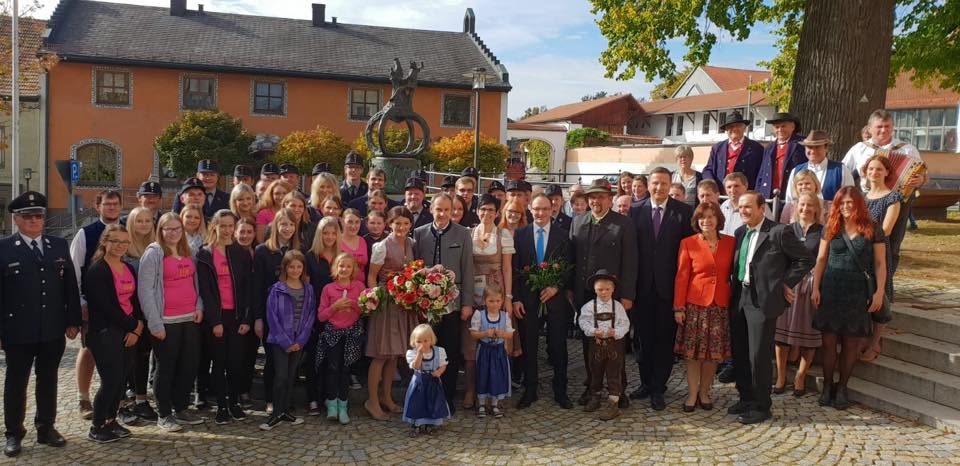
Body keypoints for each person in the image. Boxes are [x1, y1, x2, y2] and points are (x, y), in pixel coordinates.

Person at [1, 192, 82, 457]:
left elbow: (70, 286)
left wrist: (73, 321)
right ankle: (13, 433)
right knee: (16, 382)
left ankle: (46, 428)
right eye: (28, 216)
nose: (35, 220)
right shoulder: (4, 248)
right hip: (17, 329)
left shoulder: (58, 245)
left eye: (39, 215)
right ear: (16, 220)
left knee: (48, 380)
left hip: (51, 327)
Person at [728, 191, 813, 424]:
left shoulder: (778, 232)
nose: (743, 211)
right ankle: (745, 397)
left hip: (762, 302)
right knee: (741, 352)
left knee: (758, 355)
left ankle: (761, 405)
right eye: (741, 207)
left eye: (748, 207)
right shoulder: (740, 232)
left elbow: (805, 259)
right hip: (739, 298)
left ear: (761, 208)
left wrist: (785, 283)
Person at [812, 187, 887, 410]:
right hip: (831, 290)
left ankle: (842, 387)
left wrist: (879, 292)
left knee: (851, 344)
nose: (846, 206)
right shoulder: (831, 227)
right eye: (842, 202)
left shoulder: (873, 229)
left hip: (857, 293)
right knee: (828, 344)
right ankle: (827, 386)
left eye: (850, 202)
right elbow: (821, 259)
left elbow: (881, 264)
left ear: (858, 204)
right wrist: (816, 288)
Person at [628, 167, 694, 410]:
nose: (659, 188)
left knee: (664, 340)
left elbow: (689, 253)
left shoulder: (684, 212)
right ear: (648, 184)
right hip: (641, 288)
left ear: (670, 185)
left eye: (664, 184)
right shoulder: (634, 211)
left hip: (669, 289)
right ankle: (645, 383)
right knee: (642, 340)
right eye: (655, 183)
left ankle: (659, 387)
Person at [570, 178, 637, 408]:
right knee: (590, 343)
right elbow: (573, 259)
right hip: (585, 294)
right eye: (592, 197)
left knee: (616, 345)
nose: (596, 201)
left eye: (600, 196)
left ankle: (619, 389)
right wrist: (571, 290)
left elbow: (630, 262)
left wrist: (627, 295)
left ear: (610, 199)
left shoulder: (623, 224)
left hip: (613, 295)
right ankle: (593, 387)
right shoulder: (578, 222)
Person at [138, 212, 205, 432]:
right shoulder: (153, 253)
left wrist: (199, 306)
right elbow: (146, 291)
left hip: (190, 318)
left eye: (177, 228)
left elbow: (196, 283)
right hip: (166, 320)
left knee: (188, 366)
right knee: (166, 368)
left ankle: (181, 407)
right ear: (160, 230)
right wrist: (154, 323)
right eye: (169, 229)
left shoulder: (189, 251)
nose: (174, 233)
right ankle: (164, 414)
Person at [842, 109, 925, 277]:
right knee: (865, 240)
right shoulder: (859, 149)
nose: (883, 130)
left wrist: (921, 180)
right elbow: (843, 172)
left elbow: (922, 174)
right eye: (879, 126)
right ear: (870, 128)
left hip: (899, 201)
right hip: (867, 200)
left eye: (887, 126)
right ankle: (866, 281)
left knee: (892, 245)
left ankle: (886, 287)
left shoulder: (907, 149)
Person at [412, 194, 475, 414]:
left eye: (446, 210)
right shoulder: (419, 234)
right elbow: (415, 270)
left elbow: (468, 269)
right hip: (427, 303)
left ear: (452, 211)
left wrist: (467, 303)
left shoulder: (463, 233)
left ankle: (446, 397)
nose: (442, 214)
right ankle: (424, 395)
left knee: (449, 350)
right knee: (426, 347)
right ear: (432, 210)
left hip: (453, 302)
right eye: (438, 209)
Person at [82, 225, 144, 443]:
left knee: (121, 381)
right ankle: (97, 425)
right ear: (104, 242)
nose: (120, 245)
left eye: (124, 242)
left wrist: (137, 326)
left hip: (128, 330)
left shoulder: (128, 267)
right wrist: (133, 325)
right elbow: (105, 307)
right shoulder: (97, 270)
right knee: (110, 380)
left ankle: (111, 420)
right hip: (105, 332)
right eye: (115, 241)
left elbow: (134, 300)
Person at [512, 194, 574, 409]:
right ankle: (530, 390)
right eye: (537, 209)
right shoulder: (519, 235)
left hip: (555, 300)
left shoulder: (563, 235)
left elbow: (569, 267)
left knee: (558, 345)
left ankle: (561, 390)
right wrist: (516, 299)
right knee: (529, 346)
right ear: (530, 208)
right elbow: (515, 269)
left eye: (545, 209)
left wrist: (556, 286)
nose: (540, 213)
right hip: (528, 301)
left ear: (552, 209)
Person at [673, 202, 734, 412]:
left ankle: (705, 393)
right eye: (702, 218)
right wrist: (679, 307)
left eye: (710, 217)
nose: (706, 221)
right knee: (693, 355)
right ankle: (691, 394)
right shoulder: (688, 243)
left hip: (720, 306)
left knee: (712, 355)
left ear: (718, 219)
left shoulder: (730, 243)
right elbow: (682, 277)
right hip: (695, 306)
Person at [195, 210, 253, 425]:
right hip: (217, 317)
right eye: (223, 226)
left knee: (235, 363)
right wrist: (215, 320)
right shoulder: (205, 254)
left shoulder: (241, 252)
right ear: (215, 227)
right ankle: (221, 405)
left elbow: (248, 288)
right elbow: (206, 291)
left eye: (231, 226)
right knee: (218, 363)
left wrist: (247, 319)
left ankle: (234, 402)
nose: (228, 230)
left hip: (237, 316)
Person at [70, 189, 122, 421]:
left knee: (119, 351)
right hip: (92, 304)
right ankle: (84, 397)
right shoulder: (86, 233)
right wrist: (80, 301)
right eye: (107, 204)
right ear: (98, 206)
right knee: (89, 349)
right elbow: (73, 271)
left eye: (115, 204)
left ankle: (115, 397)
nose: (111, 208)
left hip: (122, 303)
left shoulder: (126, 229)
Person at [365, 207, 420, 420]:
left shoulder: (411, 243)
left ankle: (387, 398)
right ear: (390, 224)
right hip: (386, 303)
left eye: (406, 223)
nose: (402, 227)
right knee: (381, 355)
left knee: (394, 355)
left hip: (404, 304)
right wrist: (375, 299)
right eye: (398, 223)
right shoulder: (381, 247)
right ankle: (372, 400)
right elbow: (372, 276)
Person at [463, 194, 515, 409]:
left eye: (491, 210)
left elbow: (507, 268)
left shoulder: (503, 235)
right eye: (483, 209)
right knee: (471, 343)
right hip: (473, 292)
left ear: (497, 213)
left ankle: (496, 389)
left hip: (495, 293)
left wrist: (509, 298)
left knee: (498, 343)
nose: (486, 214)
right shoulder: (468, 234)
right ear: (477, 211)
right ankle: (470, 390)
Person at [773, 193, 824, 396]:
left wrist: (817, 287)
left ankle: (801, 376)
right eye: (802, 204)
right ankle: (781, 376)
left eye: (810, 205)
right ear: (797, 207)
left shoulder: (821, 231)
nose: (805, 208)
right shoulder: (787, 229)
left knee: (808, 334)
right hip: (789, 284)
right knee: (782, 333)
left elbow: (821, 260)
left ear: (816, 208)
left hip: (810, 285)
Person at [259, 250, 316, 430]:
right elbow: (272, 317)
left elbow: (310, 316)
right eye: (292, 267)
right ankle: (276, 412)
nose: (295, 270)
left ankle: (285, 410)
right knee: (281, 376)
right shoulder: (277, 289)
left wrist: (301, 339)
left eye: (299, 267)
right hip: (281, 341)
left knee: (291, 376)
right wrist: (286, 341)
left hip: (299, 340)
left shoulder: (308, 289)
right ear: (285, 268)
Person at [253, 208, 302, 415]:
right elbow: (256, 287)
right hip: (271, 314)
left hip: (295, 315)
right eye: (283, 224)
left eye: (291, 224)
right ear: (275, 226)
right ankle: (271, 399)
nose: (287, 228)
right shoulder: (263, 251)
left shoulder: (299, 251)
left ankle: (286, 400)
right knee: (273, 360)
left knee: (292, 361)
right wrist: (257, 318)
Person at [861, 155, 902, 361]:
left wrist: (860, 234)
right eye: (870, 169)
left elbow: (885, 230)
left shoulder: (892, 198)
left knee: (880, 296)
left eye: (878, 169)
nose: (874, 173)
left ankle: (876, 343)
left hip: (877, 250)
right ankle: (863, 337)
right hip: (859, 251)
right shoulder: (862, 196)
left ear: (887, 172)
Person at [316, 253, 365, 425]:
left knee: (345, 370)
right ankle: (331, 404)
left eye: (348, 266)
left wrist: (356, 306)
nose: (344, 269)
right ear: (335, 268)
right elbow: (321, 316)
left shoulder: (359, 287)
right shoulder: (328, 289)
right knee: (332, 368)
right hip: (333, 334)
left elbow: (365, 311)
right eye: (341, 266)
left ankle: (343, 405)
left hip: (351, 334)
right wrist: (334, 307)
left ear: (353, 269)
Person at [122, 207, 160, 422]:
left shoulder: (157, 248)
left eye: (148, 221)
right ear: (131, 224)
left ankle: (141, 399)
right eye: (139, 221)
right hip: (131, 313)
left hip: (152, 312)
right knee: (127, 359)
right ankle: (122, 402)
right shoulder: (125, 250)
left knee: (144, 357)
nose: (144, 225)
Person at [578, 270, 630, 421]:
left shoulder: (618, 307)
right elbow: (582, 321)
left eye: (607, 289)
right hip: (596, 344)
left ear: (613, 289)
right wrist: (593, 330)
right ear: (594, 290)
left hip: (615, 346)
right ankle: (595, 396)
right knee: (595, 371)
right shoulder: (588, 307)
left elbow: (625, 324)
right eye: (600, 289)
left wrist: (617, 332)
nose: (604, 292)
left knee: (614, 373)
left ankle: (613, 402)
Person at [304, 216, 340, 415]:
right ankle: (312, 399)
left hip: (336, 315)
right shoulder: (310, 257)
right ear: (319, 234)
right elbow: (307, 287)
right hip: (316, 313)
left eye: (333, 233)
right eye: (325, 233)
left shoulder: (340, 256)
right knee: (313, 358)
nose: (329, 237)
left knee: (331, 359)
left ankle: (329, 396)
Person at [469, 287, 514, 418]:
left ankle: (495, 404)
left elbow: (510, 335)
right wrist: (484, 333)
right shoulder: (479, 314)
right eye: (491, 301)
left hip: (499, 352)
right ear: (485, 301)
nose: (495, 304)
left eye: (498, 301)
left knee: (497, 377)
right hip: (484, 351)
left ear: (502, 301)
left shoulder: (505, 316)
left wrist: (503, 334)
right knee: (483, 375)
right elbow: (473, 334)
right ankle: (482, 404)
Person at [402, 324, 451, 436]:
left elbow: (444, 364)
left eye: (425, 341)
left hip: (433, 382)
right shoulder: (412, 353)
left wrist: (439, 372)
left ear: (431, 340)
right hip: (419, 383)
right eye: (419, 341)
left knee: (433, 402)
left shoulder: (439, 351)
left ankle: (431, 424)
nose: (422, 344)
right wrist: (419, 353)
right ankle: (416, 424)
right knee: (417, 403)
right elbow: (416, 366)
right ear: (414, 341)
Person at [702, 112, 765, 194]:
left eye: (738, 125)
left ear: (744, 128)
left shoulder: (756, 148)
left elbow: (762, 173)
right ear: (726, 130)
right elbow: (708, 169)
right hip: (722, 195)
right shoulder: (717, 148)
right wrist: (712, 185)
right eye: (731, 127)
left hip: (745, 195)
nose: (734, 129)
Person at [785, 130, 855, 204]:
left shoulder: (841, 170)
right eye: (809, 147)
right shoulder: (796, 171)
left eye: (817, 147)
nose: (813, 151)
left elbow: (850, 198)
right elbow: (790, 200)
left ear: (826, 148)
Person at [756, 112, 806, 202]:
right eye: (777, 127)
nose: (780, 129)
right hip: (768, 195)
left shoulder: (802, 144)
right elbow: (762, 173)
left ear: (792, 127)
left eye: (783, 126)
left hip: (792, 194)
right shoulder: (769, 147)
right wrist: (758, 194)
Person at [340, 209, 369, 279]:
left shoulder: (362, 240)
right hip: (341, 284)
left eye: (357, 222)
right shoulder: (337, 240)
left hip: (360, 285)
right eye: (350, 222)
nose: (353, 226)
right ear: (342, 221)